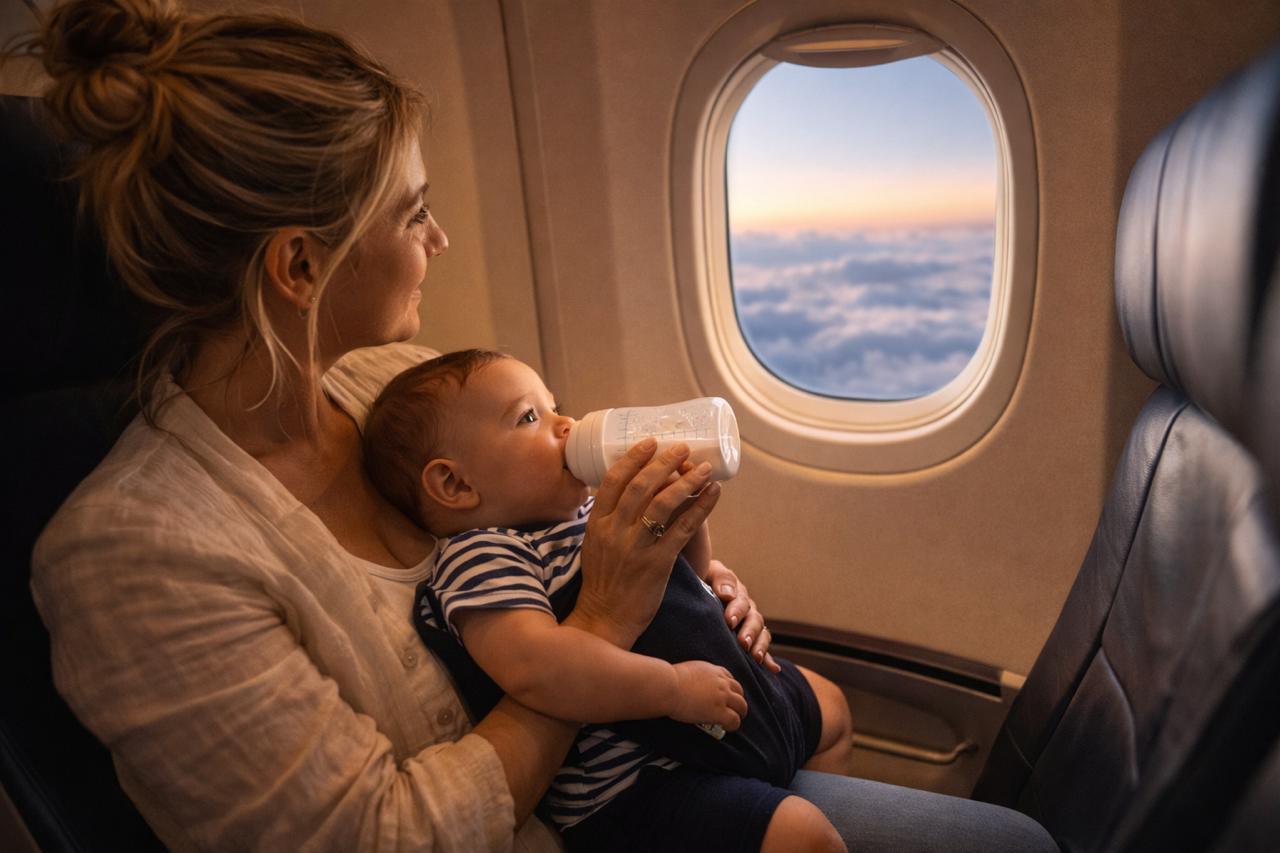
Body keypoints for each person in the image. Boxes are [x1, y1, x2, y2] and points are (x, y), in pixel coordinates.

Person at [21, 0, 1062, 850]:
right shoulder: (139, 559)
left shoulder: (387, 382)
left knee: (1014, 839)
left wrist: (702, 588)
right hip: (594, 819)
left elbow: (564, 535)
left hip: (644, 755)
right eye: (408, 212)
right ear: (299, 267)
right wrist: (602, 628)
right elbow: (381, 838)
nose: (438, 236)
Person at [363, 348, 854, 852]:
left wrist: (684, 519)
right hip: (636, 784)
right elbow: (538, 668)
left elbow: (687, 573)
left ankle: (764, 796)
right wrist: (672, 689)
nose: (567, 424)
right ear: (456, 483)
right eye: (530, 417)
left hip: (711, 710)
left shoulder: (593, 509)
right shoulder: (485, 554)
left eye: (555, 406)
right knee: (804, 835)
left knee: (833, 706)